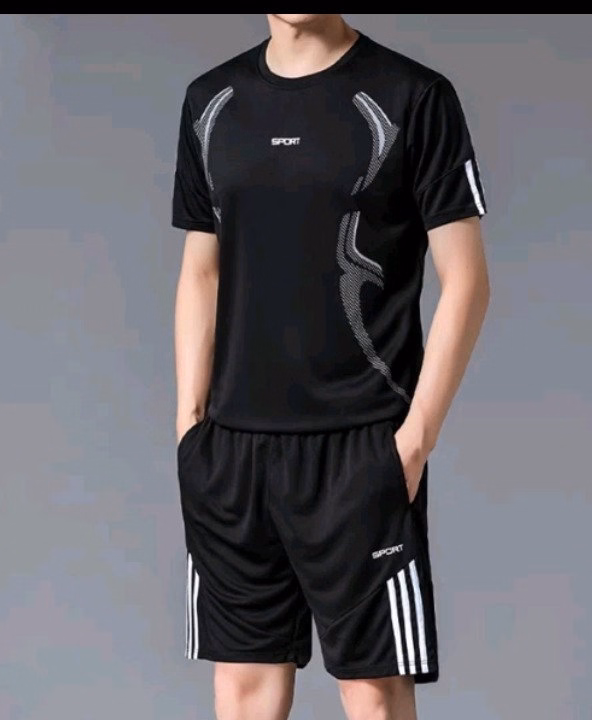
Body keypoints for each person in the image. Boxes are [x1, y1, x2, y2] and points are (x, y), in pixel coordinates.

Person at [171, 13, 490, 720]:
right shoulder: (211, 101)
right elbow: (201, 271)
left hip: (362, 450)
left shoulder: (413, 96)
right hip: (233, 455)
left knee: (373, 697)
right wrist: (189, 428)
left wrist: (413, 442)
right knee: (243, 691)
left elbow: (467, 281)